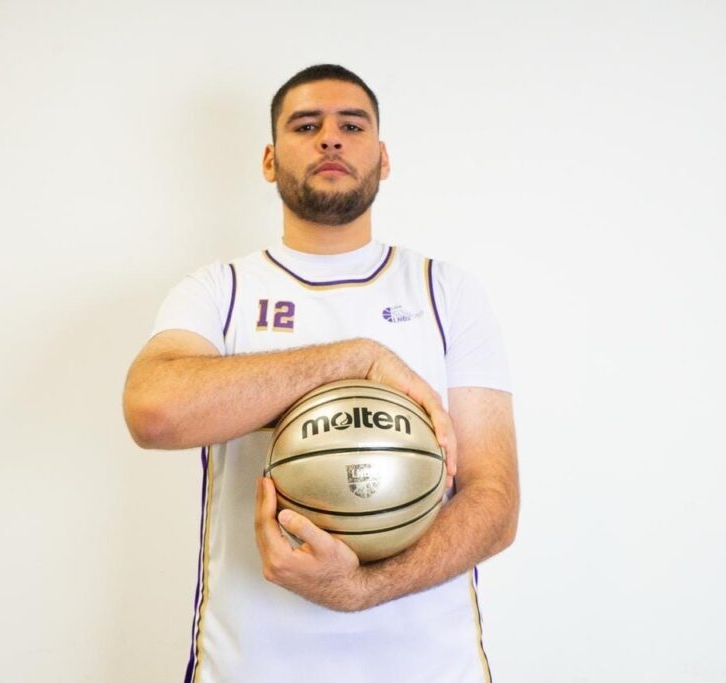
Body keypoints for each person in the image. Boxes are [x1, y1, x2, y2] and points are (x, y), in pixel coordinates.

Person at [123, 64, 519, 683]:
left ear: (383, 158)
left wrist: (361, 589)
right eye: (306, 126)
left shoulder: (445, 291)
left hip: (428, 668)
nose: (330, 137)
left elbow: (494, 502)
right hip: (253, 666)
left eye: (352, 126)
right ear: (269, 159)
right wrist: (352, 358)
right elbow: (153, 411)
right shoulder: (219, 291)